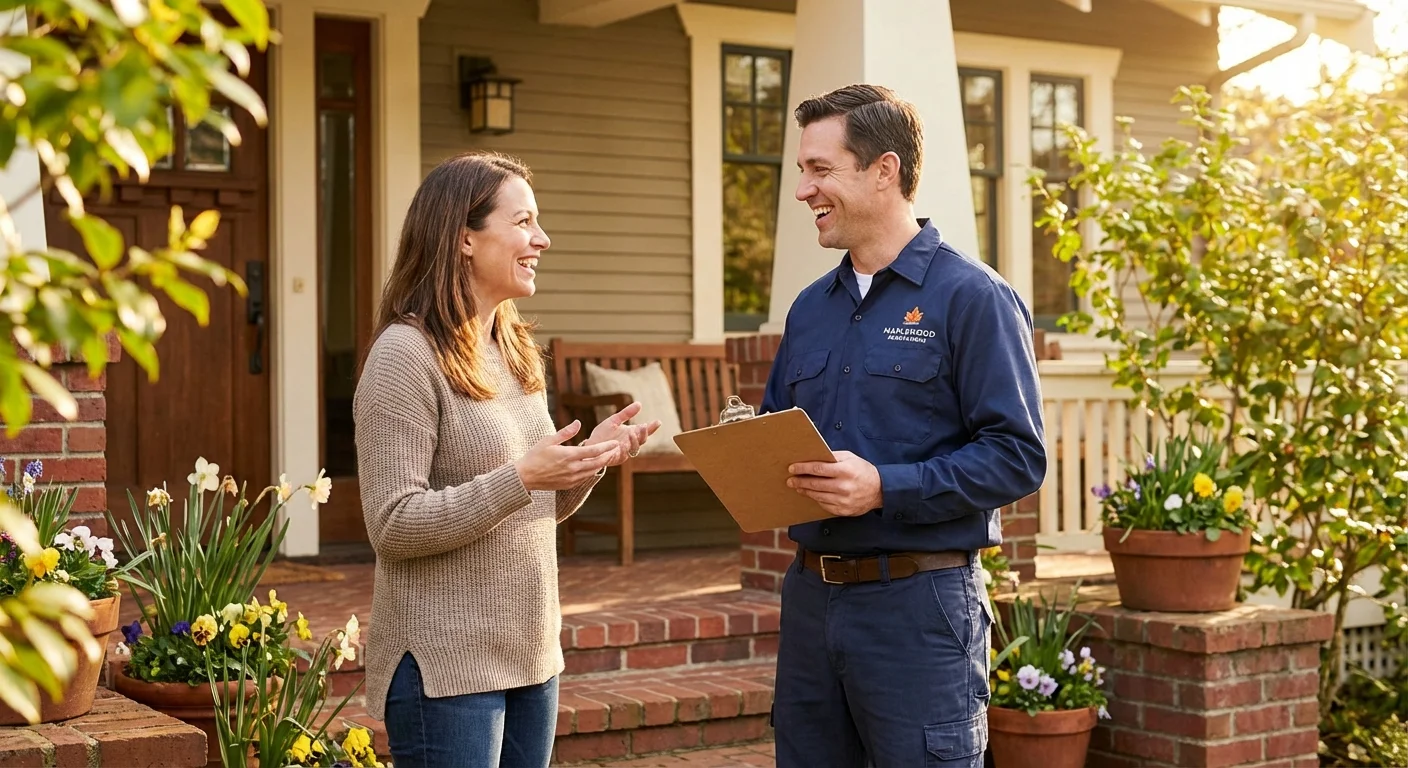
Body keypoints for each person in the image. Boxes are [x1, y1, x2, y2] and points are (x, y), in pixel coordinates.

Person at [760, 84, 1047, 767]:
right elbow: (779, 428)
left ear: (883, 171)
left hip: (919, 608)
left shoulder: (973, 298)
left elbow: (1016, 457)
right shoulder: (810, 309)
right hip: (810, 602)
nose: (804, 190)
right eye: (803, 171)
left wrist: (884, 487)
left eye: (820, 170)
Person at [352, 151, 660, 767]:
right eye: (523, 222)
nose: (541, 239)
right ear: (464, 237)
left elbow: (533, 505)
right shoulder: (404, 356)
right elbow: (392, 526)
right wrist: (521, 477)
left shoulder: (513, 346)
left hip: (532, 654)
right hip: (445, 669)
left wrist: (587, 461)